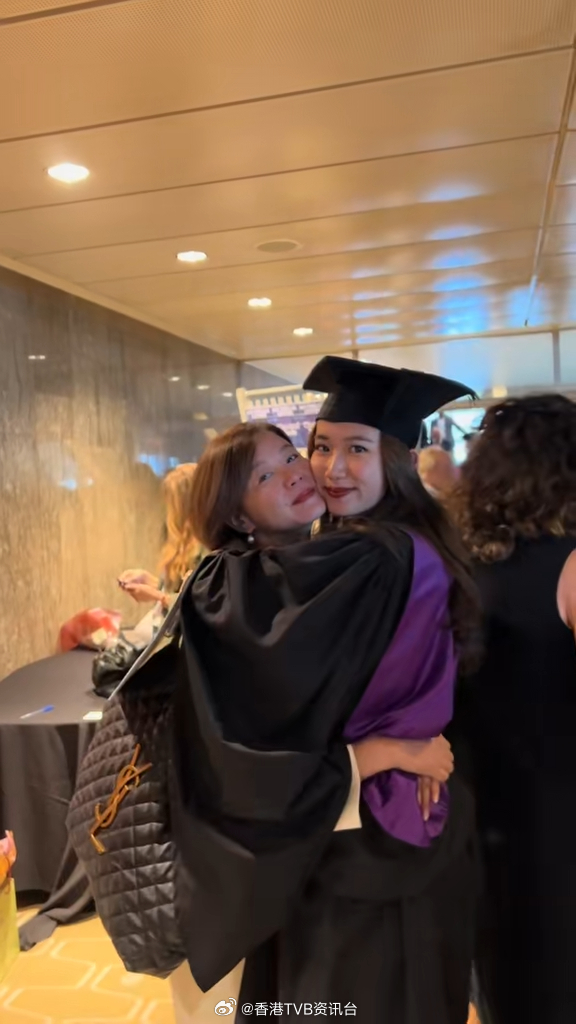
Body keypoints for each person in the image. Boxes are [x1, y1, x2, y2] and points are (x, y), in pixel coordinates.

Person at [166, 357, 479, 1024]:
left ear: (398, 460)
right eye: (321, 447)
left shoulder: (368, 556)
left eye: (357, 449)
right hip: (390, 827)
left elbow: (241, 618)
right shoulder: (399, 539)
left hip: (369, 851)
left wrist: (216, 563)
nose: (330, 469)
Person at [450, 394, 576, 1024]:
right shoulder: (571, 564)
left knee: (508, 979)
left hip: (481, 812)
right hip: (559, 814)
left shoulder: (456, 567)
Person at [118, 463, 203, 628]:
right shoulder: (180, 541)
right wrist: (149, 581)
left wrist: (157, 596)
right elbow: (179, 591)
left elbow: (197, 607)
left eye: (172, 502)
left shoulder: (207, 548)